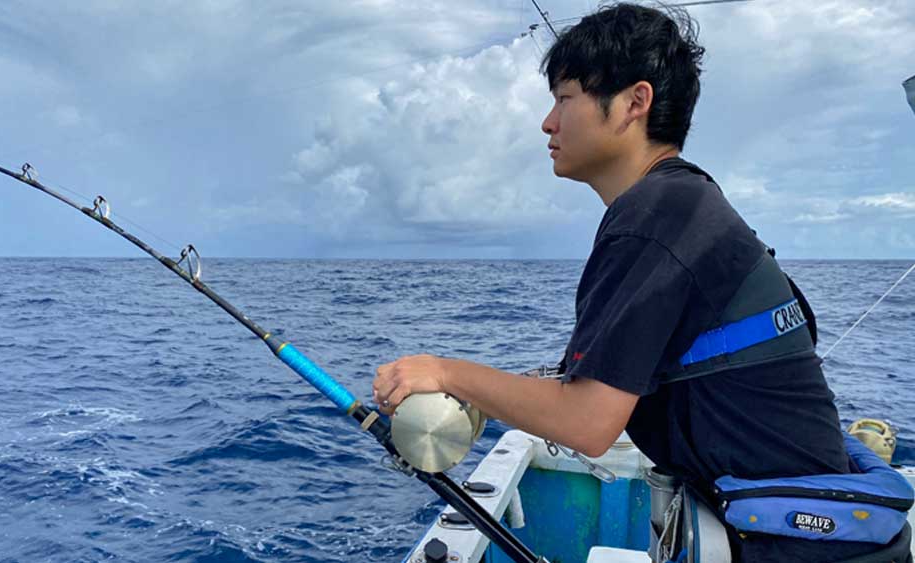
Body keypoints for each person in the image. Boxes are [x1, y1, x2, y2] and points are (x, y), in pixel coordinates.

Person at [372, 4, 910, 562]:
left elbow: (587, 423)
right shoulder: (686, 201)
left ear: (635, 102)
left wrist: (444, 371)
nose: (548, 122)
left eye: (565, 97)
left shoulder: (656, 216)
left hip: (798, 547)